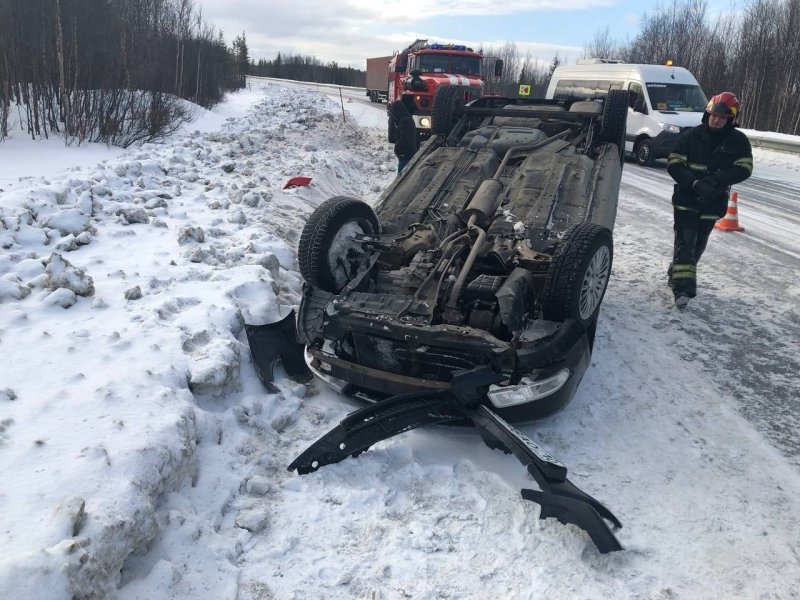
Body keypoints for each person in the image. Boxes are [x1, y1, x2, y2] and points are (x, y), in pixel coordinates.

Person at [666, 91, 753, 307]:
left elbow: (745, 168)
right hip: (687, 197)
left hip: (713, 201)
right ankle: (683, 290)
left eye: (721, 117)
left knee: (698, 245)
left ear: (730, 119)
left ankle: (676, 273)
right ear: (707, 114)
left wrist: (717, 180)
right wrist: (694, 183)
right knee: (685, 241)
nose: (716, 120)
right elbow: (674, 163)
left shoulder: (738, 141)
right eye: (713, 115)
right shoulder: (690, 136)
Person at [388, 101, 418, 173]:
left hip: (405, 154)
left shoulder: (404, 122)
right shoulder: (406, 119)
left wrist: (398, 149)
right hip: (408, 153)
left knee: (401, 176)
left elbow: (405, 139)